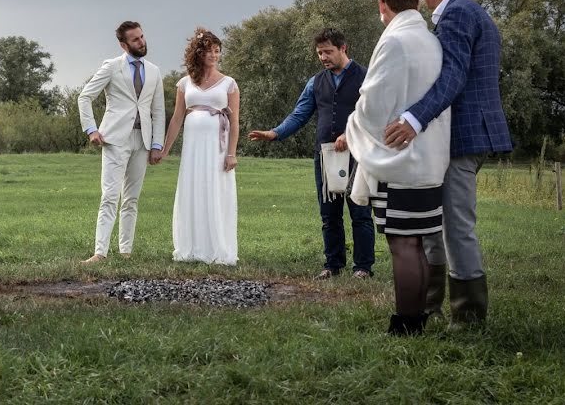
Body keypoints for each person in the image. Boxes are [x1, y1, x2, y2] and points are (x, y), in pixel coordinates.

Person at [384, 0, 512, 327]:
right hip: (470, 133)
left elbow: (453, 77)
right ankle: (431, 305)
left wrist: (414, 118)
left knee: (456, 226)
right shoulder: (473, 10)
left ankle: (468, 318)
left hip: (463, 135)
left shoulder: (456, 14)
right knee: (438, 224)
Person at [346, 0, 451, 335]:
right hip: (430, 158)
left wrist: (352, 124)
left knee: (401, 243)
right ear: (418, 0)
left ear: (382, 2)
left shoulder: (395, 42)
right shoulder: (430, 39)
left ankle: (406, 324)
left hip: (400, 159)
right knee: (417, 242)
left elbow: (374, 105)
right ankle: (417, 317)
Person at [249, 28, 375, 280]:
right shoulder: (315, 82)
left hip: (358, 155)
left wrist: (350, 134)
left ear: (343, 48)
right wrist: (275, 133)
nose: (323, 57)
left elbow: (374, 113)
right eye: (319, 53)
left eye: (328, 51)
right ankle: (333, 265)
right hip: (325, 155)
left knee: (360, 212)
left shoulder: (365, 77)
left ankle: (363, 268)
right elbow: (300, 114)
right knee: (329, 214)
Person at [77, 21, 165, 263]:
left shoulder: (155, 71)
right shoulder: (111, 67)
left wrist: (158, 144)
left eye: (142, 36)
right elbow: (84, 97)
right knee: (110, 196)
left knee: (132, 198)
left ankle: (125, 251)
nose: (142, 42)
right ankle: (100, 253)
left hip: (143, 140)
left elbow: (158, 110)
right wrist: (91, 129)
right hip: (115, 139)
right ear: (123, 44)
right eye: (135, 39)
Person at [162, 28, 239, 265]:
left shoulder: (229, 84)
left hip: (217, 147)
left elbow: (234, 121)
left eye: (217, 51)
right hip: (193, 148)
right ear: (198, 54)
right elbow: (176, 118)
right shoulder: (185, 83)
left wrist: (231, 153)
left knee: (215, 190)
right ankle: (191, 247)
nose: (214, 55)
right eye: (209, 51)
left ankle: (217, 248)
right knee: (193, 188)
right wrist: (165, 149)